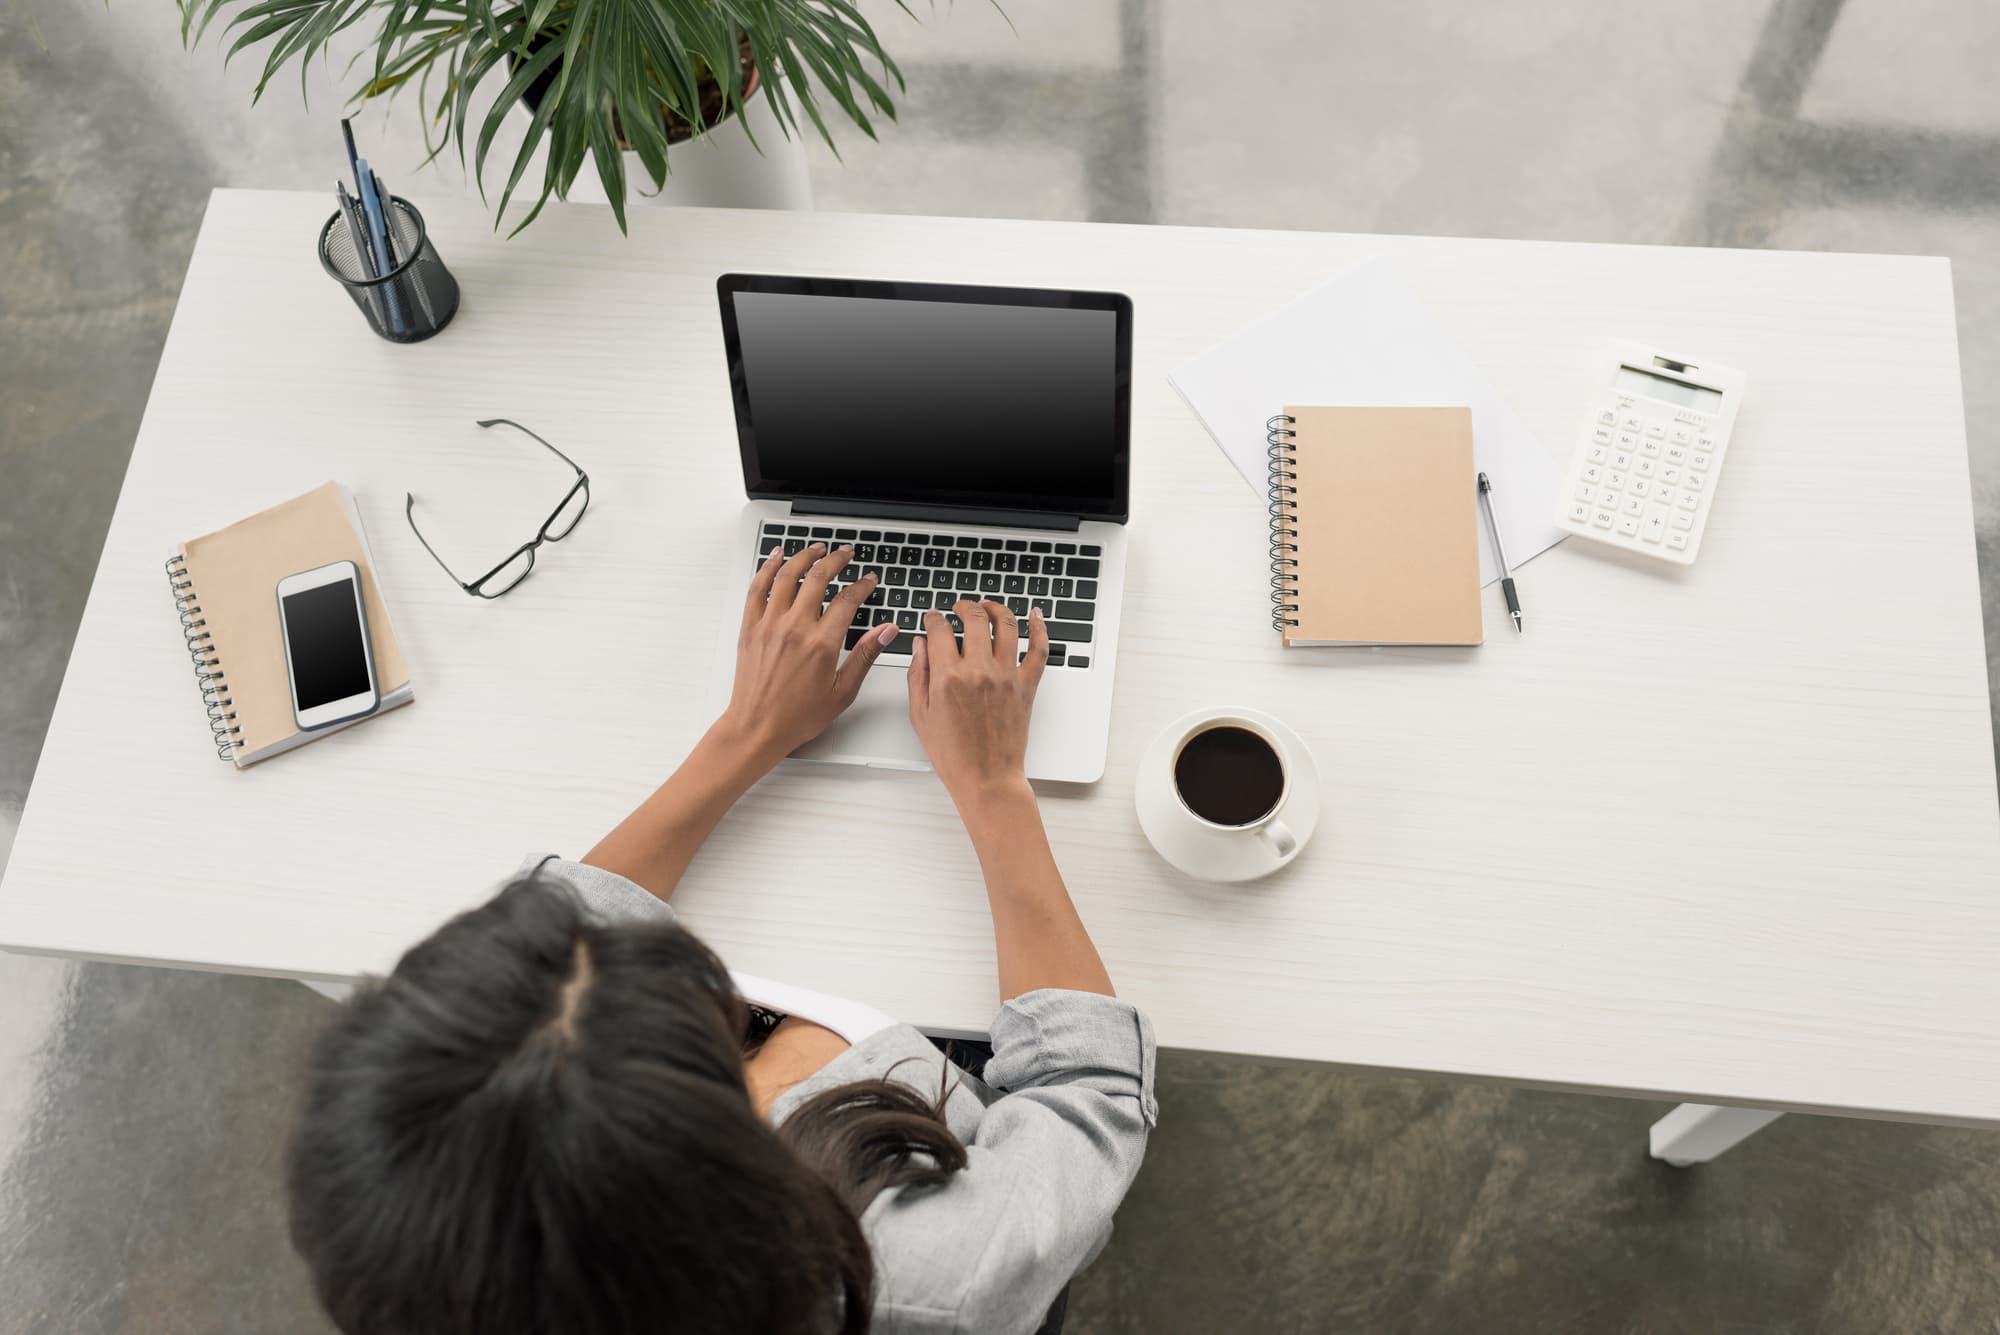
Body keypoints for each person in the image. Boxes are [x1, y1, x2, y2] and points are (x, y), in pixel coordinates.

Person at [285, 541, 1158, 1335]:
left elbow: (556, 925)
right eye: (699, 1011)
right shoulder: (932, 1273)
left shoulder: (444, 1259)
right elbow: (1087, 1095)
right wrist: (996, 785)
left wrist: (748, 730)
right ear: (711, 1143)